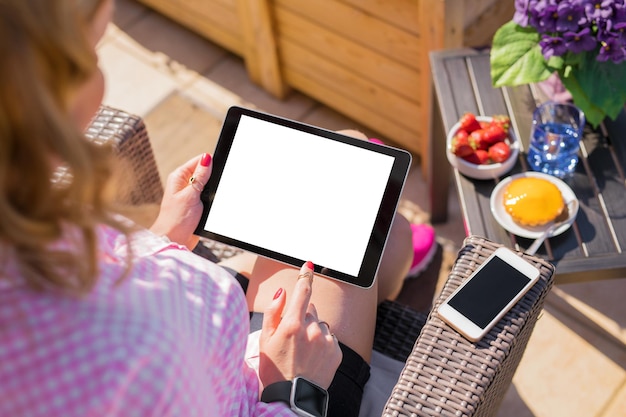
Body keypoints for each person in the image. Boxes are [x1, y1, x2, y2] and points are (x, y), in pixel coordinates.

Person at [0, 1, 435, 416]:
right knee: (355, 164)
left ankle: (389, 258)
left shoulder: (22, 223)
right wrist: (293, 387)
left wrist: (164, 237)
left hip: (225, 355)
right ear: (42, 94)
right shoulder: (127, 362)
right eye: (94, 51)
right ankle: (389, 265)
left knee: (369, 207)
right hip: (280, 390)